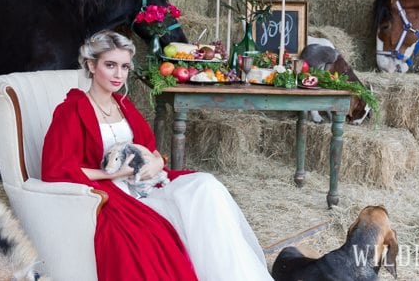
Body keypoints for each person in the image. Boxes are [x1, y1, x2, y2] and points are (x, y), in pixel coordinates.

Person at [41, 30, 273, 281]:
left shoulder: (123, 105)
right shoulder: (71, 110)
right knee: (152, 229)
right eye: (110, 65)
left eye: (124, 66)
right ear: (91, 64)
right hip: (113, 192)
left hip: (146, 181)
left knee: (207, 187)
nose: (119, 74)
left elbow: (149, 147)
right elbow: (57, 168)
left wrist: (155, 160)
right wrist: (114, 173)